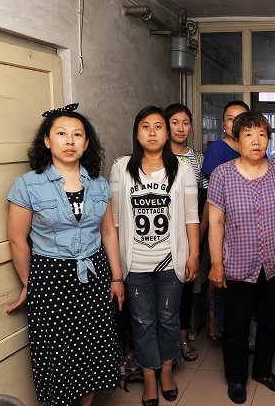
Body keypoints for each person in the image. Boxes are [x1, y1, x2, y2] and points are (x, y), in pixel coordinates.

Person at [6, 104, 124, 406]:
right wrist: (30, 283)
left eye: (77, 135)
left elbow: (109, 232)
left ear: (86, 143)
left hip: (94, 274)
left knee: (92, 347)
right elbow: (18, 240)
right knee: (59, 351)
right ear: (47, 141)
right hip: (50, 279)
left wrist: (117, 278)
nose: (69, 141)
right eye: (61, 134)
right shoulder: (28, 185)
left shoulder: (98, 184)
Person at [110, 106, 199, 406]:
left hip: (170, 261)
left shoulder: (182, 168)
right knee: (142, 321)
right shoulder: (122, 167)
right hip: (134, 263)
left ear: (167, 133)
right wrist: (116, 268)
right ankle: (149, 374)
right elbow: (115, 221)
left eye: (158, 126)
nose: (152, 132)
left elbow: (191, 215)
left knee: (169, 319)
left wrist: (194, 254)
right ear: (136, 133)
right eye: (145, 126)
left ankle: (167, 370)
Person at [207, 112, 275, 404]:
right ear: (237, 139)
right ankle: (236, 378)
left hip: (274, 264)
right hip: (237, 266)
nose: (256, 141)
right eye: (249, 135)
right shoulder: (222, 175)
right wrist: (216, 264)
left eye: (262, 135)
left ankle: (263, 372)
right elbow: (216, 222)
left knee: (270, 324)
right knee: (237, 327)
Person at [201, 100, 250, 339]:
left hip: (247, 232)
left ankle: (243, 332)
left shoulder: (253, 147)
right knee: (223, 284)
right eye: (230, 119)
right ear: (224, 124)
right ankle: (224, 332)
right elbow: (213, 200)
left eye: (241, 118)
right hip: (224, 228)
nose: (235, 123)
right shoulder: (218, 149)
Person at [165, 103, 208, 362]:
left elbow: (205, 198)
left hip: (190, 232)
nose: (181, 128)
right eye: (175, 122)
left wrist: (198, 234)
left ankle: (182, 339)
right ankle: (163, 345)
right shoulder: (156, 156)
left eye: (186, 123)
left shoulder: (198, 158)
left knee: (185, 288)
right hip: (161, 234)